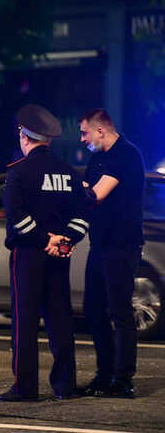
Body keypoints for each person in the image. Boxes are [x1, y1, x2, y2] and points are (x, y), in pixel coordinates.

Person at [0, 104, 90, 402]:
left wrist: (42, 239)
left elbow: (16, 216)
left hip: (28, 255)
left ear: (24, 136)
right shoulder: (69, 173)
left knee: (25, 322)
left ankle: (25, 388)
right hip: (60, 256)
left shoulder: (19, 173)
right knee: (60, 320)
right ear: (48, 139)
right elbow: (82, 215)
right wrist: (64, 241)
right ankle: (65, 386)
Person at [78, 108, 145, 398]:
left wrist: (67, 186)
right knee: (93, 311)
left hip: (122, 246)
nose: (82, 139)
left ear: (100, 130)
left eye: (84, 133)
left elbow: (96, 194)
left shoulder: (126, 155)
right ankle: (104, 375)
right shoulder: (97, 159)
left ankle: (123, 379)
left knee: (120, 313)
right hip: (100, 245)